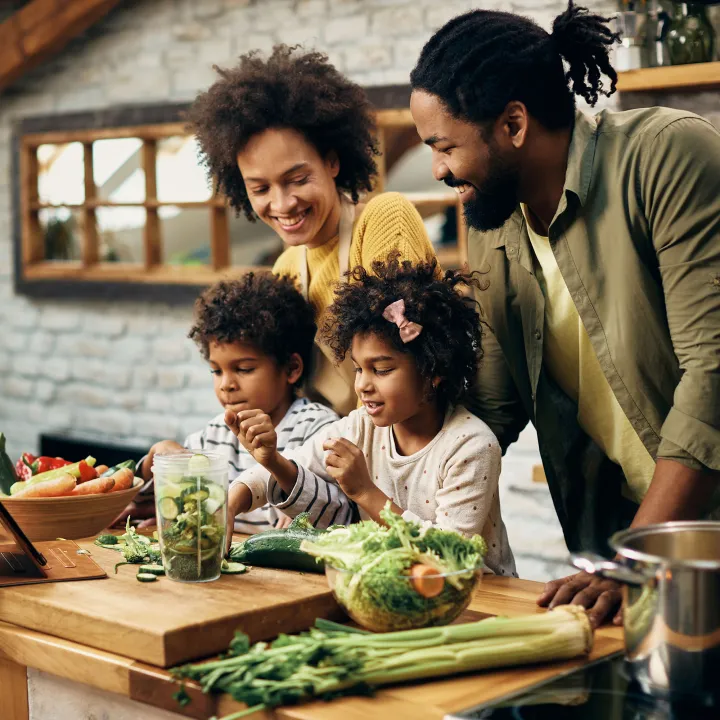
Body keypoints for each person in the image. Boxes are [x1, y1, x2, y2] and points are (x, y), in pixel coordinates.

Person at [409, 1, 720, 626]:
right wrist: (375, 495)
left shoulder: (665, 156)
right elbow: (494, 407)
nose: (439, 171)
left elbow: (712, 372)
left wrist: (636, 557)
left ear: (514, 124)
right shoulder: (493, 226)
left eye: (444, 147)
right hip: (624, 531)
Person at [224, 255, 516, 577]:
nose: (362, 385)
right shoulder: (361, 426)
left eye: (381, 370)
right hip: (396, 589)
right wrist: (231, 503)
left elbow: (449, 553)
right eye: (358, 369)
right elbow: (295, 460)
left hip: (479, 595)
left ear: (434, 370)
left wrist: (365, 493)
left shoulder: (470, 446)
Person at [190, 45, 438, 416]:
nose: (283, 203)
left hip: (408, 453)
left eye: (298, 179)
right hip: (326, 457)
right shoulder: (287, 267)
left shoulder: (385, 218)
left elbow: (400, 365)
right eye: (260, 188)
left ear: (333, 161)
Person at [119, 273, 339, 533]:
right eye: (217, 371)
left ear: (291, 368)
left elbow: (336, 508)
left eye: (244, 369)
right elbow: (145, 502)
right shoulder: (216, 434)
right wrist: (155, 459)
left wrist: (300, 506)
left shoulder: (317, 428)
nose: (226, 384)